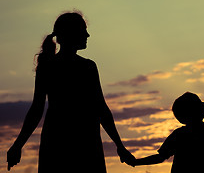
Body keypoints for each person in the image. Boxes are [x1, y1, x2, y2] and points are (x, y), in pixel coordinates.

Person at [7, 11, 134, 172]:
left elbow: (36, 110)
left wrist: (17, 146)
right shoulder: (87, 67)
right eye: (83, 30)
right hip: (85, 140)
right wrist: (120, 146)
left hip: (56, 139)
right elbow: (101, 109)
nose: (87, 35)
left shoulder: (48, 67)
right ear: (71, 34)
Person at [132, 92, 204, 173]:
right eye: (200, 103)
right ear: (193, 111)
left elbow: (160, 157)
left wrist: (136, 162)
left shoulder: (179, 134)